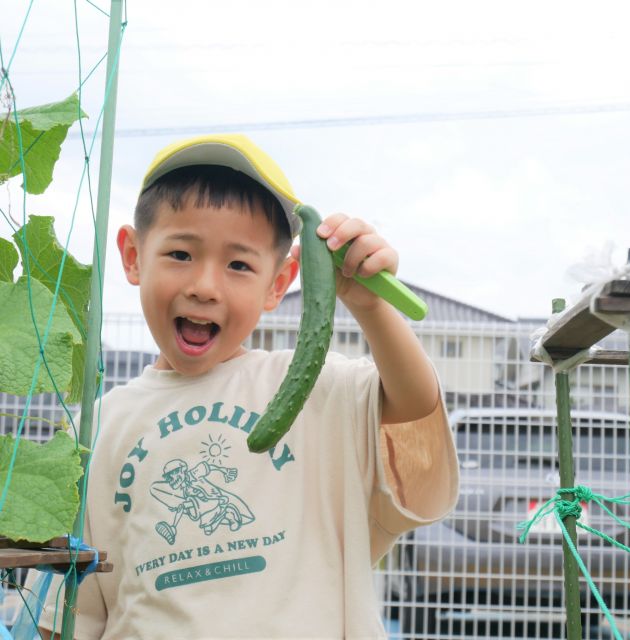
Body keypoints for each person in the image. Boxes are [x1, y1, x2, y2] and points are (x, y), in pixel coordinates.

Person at [33, 133, 459, 639]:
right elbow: (70, 616)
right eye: (180, 254)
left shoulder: (319, 392)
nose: (205, 286)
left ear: (279, 283)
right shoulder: (97, 427)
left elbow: (413, 411)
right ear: (133, 255)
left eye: (239, 265)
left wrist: (371, 307)